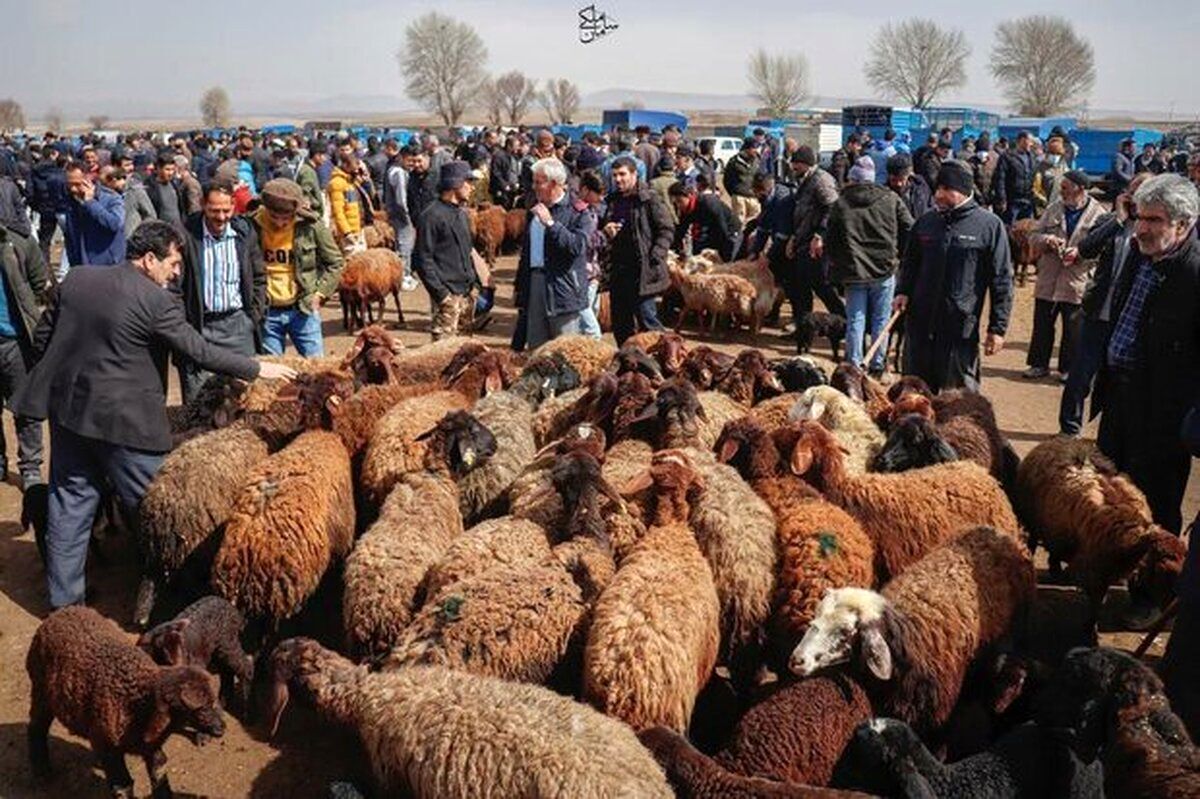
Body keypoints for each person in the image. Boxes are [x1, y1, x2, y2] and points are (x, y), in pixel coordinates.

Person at [13, 220, 296, 607]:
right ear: (149, 259)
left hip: (69, 415)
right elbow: (198, 350)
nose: (177, 272)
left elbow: (43, 338)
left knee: (69, 505)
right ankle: (183, 597)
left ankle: (64, 602)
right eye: (174, 263)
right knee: (161, 508)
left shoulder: (78, 279)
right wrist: (256, 367)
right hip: (126, 425)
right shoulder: (154, 300)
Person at [1094, 173, 1199, 537]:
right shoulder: (1140, 256)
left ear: (1183, 224)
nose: (1140, 228)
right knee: (1111, 493)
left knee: (1156, 504)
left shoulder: (1194, 273)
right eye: (1139, 217)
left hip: (1162, 417)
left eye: (1154, 220)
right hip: (1118, 399)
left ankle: (1152, 571)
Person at [894, 161, 1013, 392]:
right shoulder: (926, 222)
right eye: (937, 188)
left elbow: (1002, 280)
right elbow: (910, 264)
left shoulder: (989, 226)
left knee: (958, 400)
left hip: (959, 331)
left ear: (963, 190)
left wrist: (997, 329)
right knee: (915, 398)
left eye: (946, 189)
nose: (938, 195)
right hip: (920, 327)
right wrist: (902, 291)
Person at [1059, 173, 1148, 437]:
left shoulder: (1153, 230)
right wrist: (1118, 219)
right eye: (1133, 191)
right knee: (1079, 376)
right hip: (1098, 313)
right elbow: (1086, 249)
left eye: (1142, 192)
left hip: (1128, 321)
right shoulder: (1111, 221)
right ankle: (1069, 429)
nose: (1136, 197)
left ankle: (1109, 435)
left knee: (1115, 381)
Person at [174, 182, 266, 402]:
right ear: (202, 205)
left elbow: (259, 277)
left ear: (233, 205)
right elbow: (174, 286)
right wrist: (184, 325)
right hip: (199, 328)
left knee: (243, 399)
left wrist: (253, 317)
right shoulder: (185, 234)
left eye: (226, 210)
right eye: (214, 211)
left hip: (238, 328)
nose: (221, 217)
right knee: (198, 401)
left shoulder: (245, 232)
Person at [827, 156, 913, 376]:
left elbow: (831, 239)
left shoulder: (841, 203)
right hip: (884, 269)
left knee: (855, 319)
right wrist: (899, 254)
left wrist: (838, 264)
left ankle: (854, 365)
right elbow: (910, 227)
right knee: (881, 320)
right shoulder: (890, 199)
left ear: (853, 179)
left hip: (854, 271)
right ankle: (877, 364)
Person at [1023, 170, 1106, 381]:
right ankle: (1038, 365)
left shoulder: (1098, 215)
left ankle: (1068, 369)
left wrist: (1080, 253)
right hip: (1049, 278)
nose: (1061, 191)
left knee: (1073, 328)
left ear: (1080, 189)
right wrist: (1047, 240)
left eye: (1065, 187)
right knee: (1042, 324)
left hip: (1076, 280)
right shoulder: (1053, 209)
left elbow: (1104, 249)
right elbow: (1033, 236)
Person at [248, 179, 344, 357]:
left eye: (286, 218)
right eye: (273, 217)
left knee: (317, 366)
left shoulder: (312, 226)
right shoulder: (251, 225)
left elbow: (336, 262)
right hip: (267, 311)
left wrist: (320, 294)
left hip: (303, 309)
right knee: (272, 370)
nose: (280, 223)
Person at [513, 159, 596, 350]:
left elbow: (577, 246)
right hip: (535, 284)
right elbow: (527, 253)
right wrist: (520, 285)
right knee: (537, 348)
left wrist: (551, 224)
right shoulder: (534, 209)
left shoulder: (578, 213)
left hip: (563, 288)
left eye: (538, 182)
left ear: (553, 184)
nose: (534, 187)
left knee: (563, 350)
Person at [601, 156, 673, 345]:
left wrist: (656, 255)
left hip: (642, 271)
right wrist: (606, 230)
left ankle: (664, 356)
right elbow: (602, 226)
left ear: (634, 174)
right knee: (620, 324)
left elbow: (666, 229)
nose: (618, 179)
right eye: (614, 175)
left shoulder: (649, 199)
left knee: (648, 321)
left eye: (622, 174)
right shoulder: (612, 201)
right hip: (618, 271)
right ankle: (627, 359)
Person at [0, 216, 49, 498]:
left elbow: (41, 284)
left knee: (26, 408)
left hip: (16, 341)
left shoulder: (18, 241)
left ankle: (30, 466)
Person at [413, 161, 481, 340]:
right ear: (455, 183)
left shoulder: (462, 214)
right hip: (448, 297)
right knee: (443, 352)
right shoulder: (431, 216)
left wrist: (474, 285)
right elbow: (422, 259)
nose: (472, 187)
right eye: (468, 182)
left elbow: (467, 252)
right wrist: (442, 295)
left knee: (466, 351)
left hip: (467, 295)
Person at [786, 146, 846, 319]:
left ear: (806, 163)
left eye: (796, 163)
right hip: (804, 240)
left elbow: (833, 207)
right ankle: (803, 324)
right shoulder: (805, 179)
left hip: (816, 244)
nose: (793, 167)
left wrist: (820, 235)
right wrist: (794, 238)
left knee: (821, 285)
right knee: (802, 284)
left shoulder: (821, 180)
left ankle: (843, 321)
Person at [62, 162, 125, 268]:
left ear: (88, 178)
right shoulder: (71, 201)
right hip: (83, 265)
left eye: (77, 184)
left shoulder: (111, 199)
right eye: (70, 184)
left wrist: (91, 203)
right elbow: (70, 235)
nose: (73, 189)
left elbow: (115, 224)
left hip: (108, 265)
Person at [669, 181, 742, 262]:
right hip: (711, 232)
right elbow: (681, 231)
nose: (678, 205)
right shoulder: (685, 210)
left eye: (680, 201)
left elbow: (722, 228)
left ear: (689, 195)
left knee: (728, 259)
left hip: (730, 231)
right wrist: (672, 250)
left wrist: (722, 253)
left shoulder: (708, 203)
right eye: (675, 203)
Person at [992, 130, 1036, 224]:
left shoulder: (1032, 157)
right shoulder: (1007, 157)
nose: (1032, 144)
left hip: (1028, 200)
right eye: (1030, 141)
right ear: (1022, 140)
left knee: (1027, 227)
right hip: (1012, 201)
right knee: (1010, 227)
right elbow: (1000, 179)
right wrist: (1002, 199)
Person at [327, 153, 365, 253]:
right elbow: (338, 212)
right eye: (354, 166)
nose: (356, 169)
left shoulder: (350, 181)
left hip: (357, 229)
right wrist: (347, 233)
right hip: (348, 233)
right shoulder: (337, 183)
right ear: (345, 165)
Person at [722, 138, 761, 225]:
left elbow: (761, 177)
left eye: (757, 148)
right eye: (754, 148)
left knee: (755, 222)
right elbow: (726, 180)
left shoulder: (758, 160)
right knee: (738, 222)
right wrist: (734, 193)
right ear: (747, 149)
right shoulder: (734, 161)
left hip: (754, 197)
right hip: (739, 197)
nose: (756, 150)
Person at [144, 153, 187, 229]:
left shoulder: (174, 184)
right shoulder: (150, 187)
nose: (170, 173)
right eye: (167, 169)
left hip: (177, 229)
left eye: (172, 169)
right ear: (158, 169)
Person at [886, 153, 932, 220]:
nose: (898, 184)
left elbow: (930, 205)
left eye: (901, 180)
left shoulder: (921, 186)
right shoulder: (885, 195)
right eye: (893, 180)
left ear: (909, 175)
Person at [295, 144, 325, 218]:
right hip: (310, 215)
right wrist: (313, 203)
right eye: (323, 156)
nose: (325, 159)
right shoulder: (308, 171)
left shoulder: (309, 169)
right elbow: (304, 191)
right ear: (317, 156)